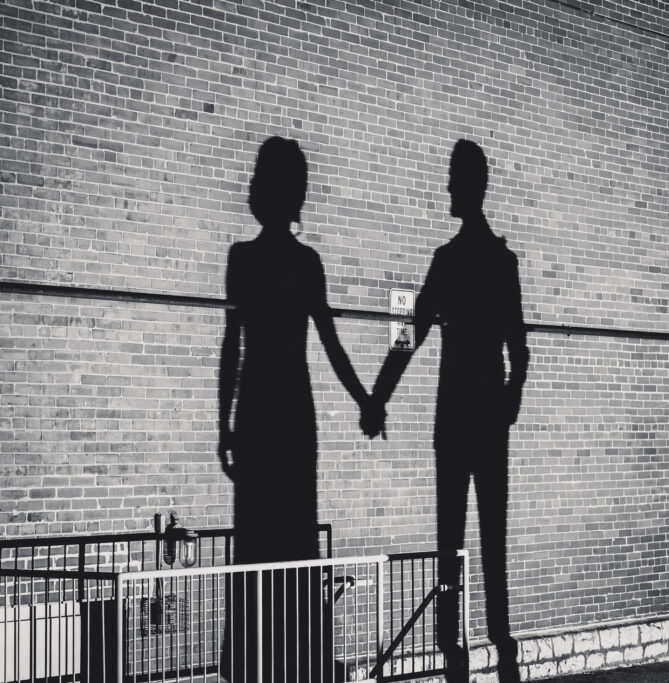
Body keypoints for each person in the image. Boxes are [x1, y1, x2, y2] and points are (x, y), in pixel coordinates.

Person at [362, 139, 529, 683]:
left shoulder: (448, 262)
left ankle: (450, 645)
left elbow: (407, 339)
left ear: (470, 185)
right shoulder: (500, 263)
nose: (447, 189)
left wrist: (378, 397)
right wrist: (510, 396)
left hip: (454, 416)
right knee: (492, 538)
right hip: (487, 417)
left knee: (450, 540)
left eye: (453, 180)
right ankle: (500, 643)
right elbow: (519, 347)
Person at [218, 136, 368, 683]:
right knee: (294, 543)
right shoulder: (306, 264)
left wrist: (224, 425)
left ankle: (252, 666)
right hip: (291, 418)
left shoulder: (243, 259)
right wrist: (366, 402)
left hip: (257, 417)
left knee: (255, 545)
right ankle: (299, 662)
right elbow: (330, 343)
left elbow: (231, 348)